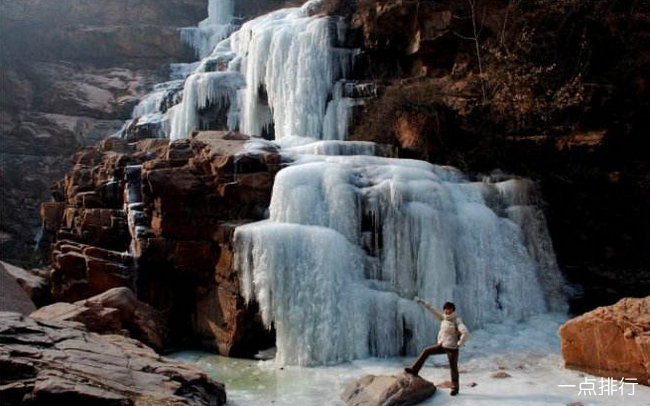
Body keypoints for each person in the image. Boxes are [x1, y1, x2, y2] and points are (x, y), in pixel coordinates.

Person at [405, 297, 470, 396]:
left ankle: (455, 388)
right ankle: (415, 369)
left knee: (453, 368)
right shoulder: (443, 318)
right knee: (426, 351)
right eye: (446, 309)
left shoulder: (457, 320)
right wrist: (422, 302)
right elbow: (432, 309)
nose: (447, 310)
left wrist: (459, 343)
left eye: (449, 309)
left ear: (453, 310)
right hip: (442, 345)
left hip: (452, 349)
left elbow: (465, 332)